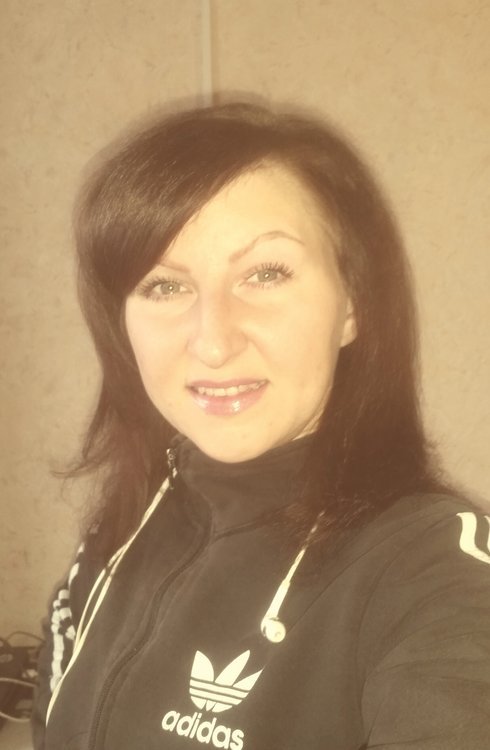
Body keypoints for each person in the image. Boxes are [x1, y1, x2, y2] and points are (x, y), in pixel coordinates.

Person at [32, 101, 490, 750]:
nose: (213, 342)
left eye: (265, 274)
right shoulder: (128, 520)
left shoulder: (428, 569)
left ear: (353, 305)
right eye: (164, 286)